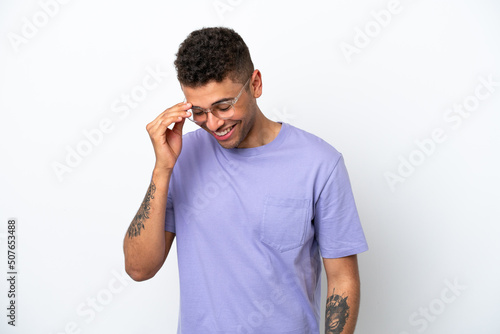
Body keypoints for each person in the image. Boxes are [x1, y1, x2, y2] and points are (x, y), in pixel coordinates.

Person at [123, 27, 368, 334]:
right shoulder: (182, 157)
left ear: (255, 84)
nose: (213, 123)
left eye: (223, 106)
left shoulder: (320, 164)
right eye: (198, 111)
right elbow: (138, 268)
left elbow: (342, 279)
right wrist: (162, 169)